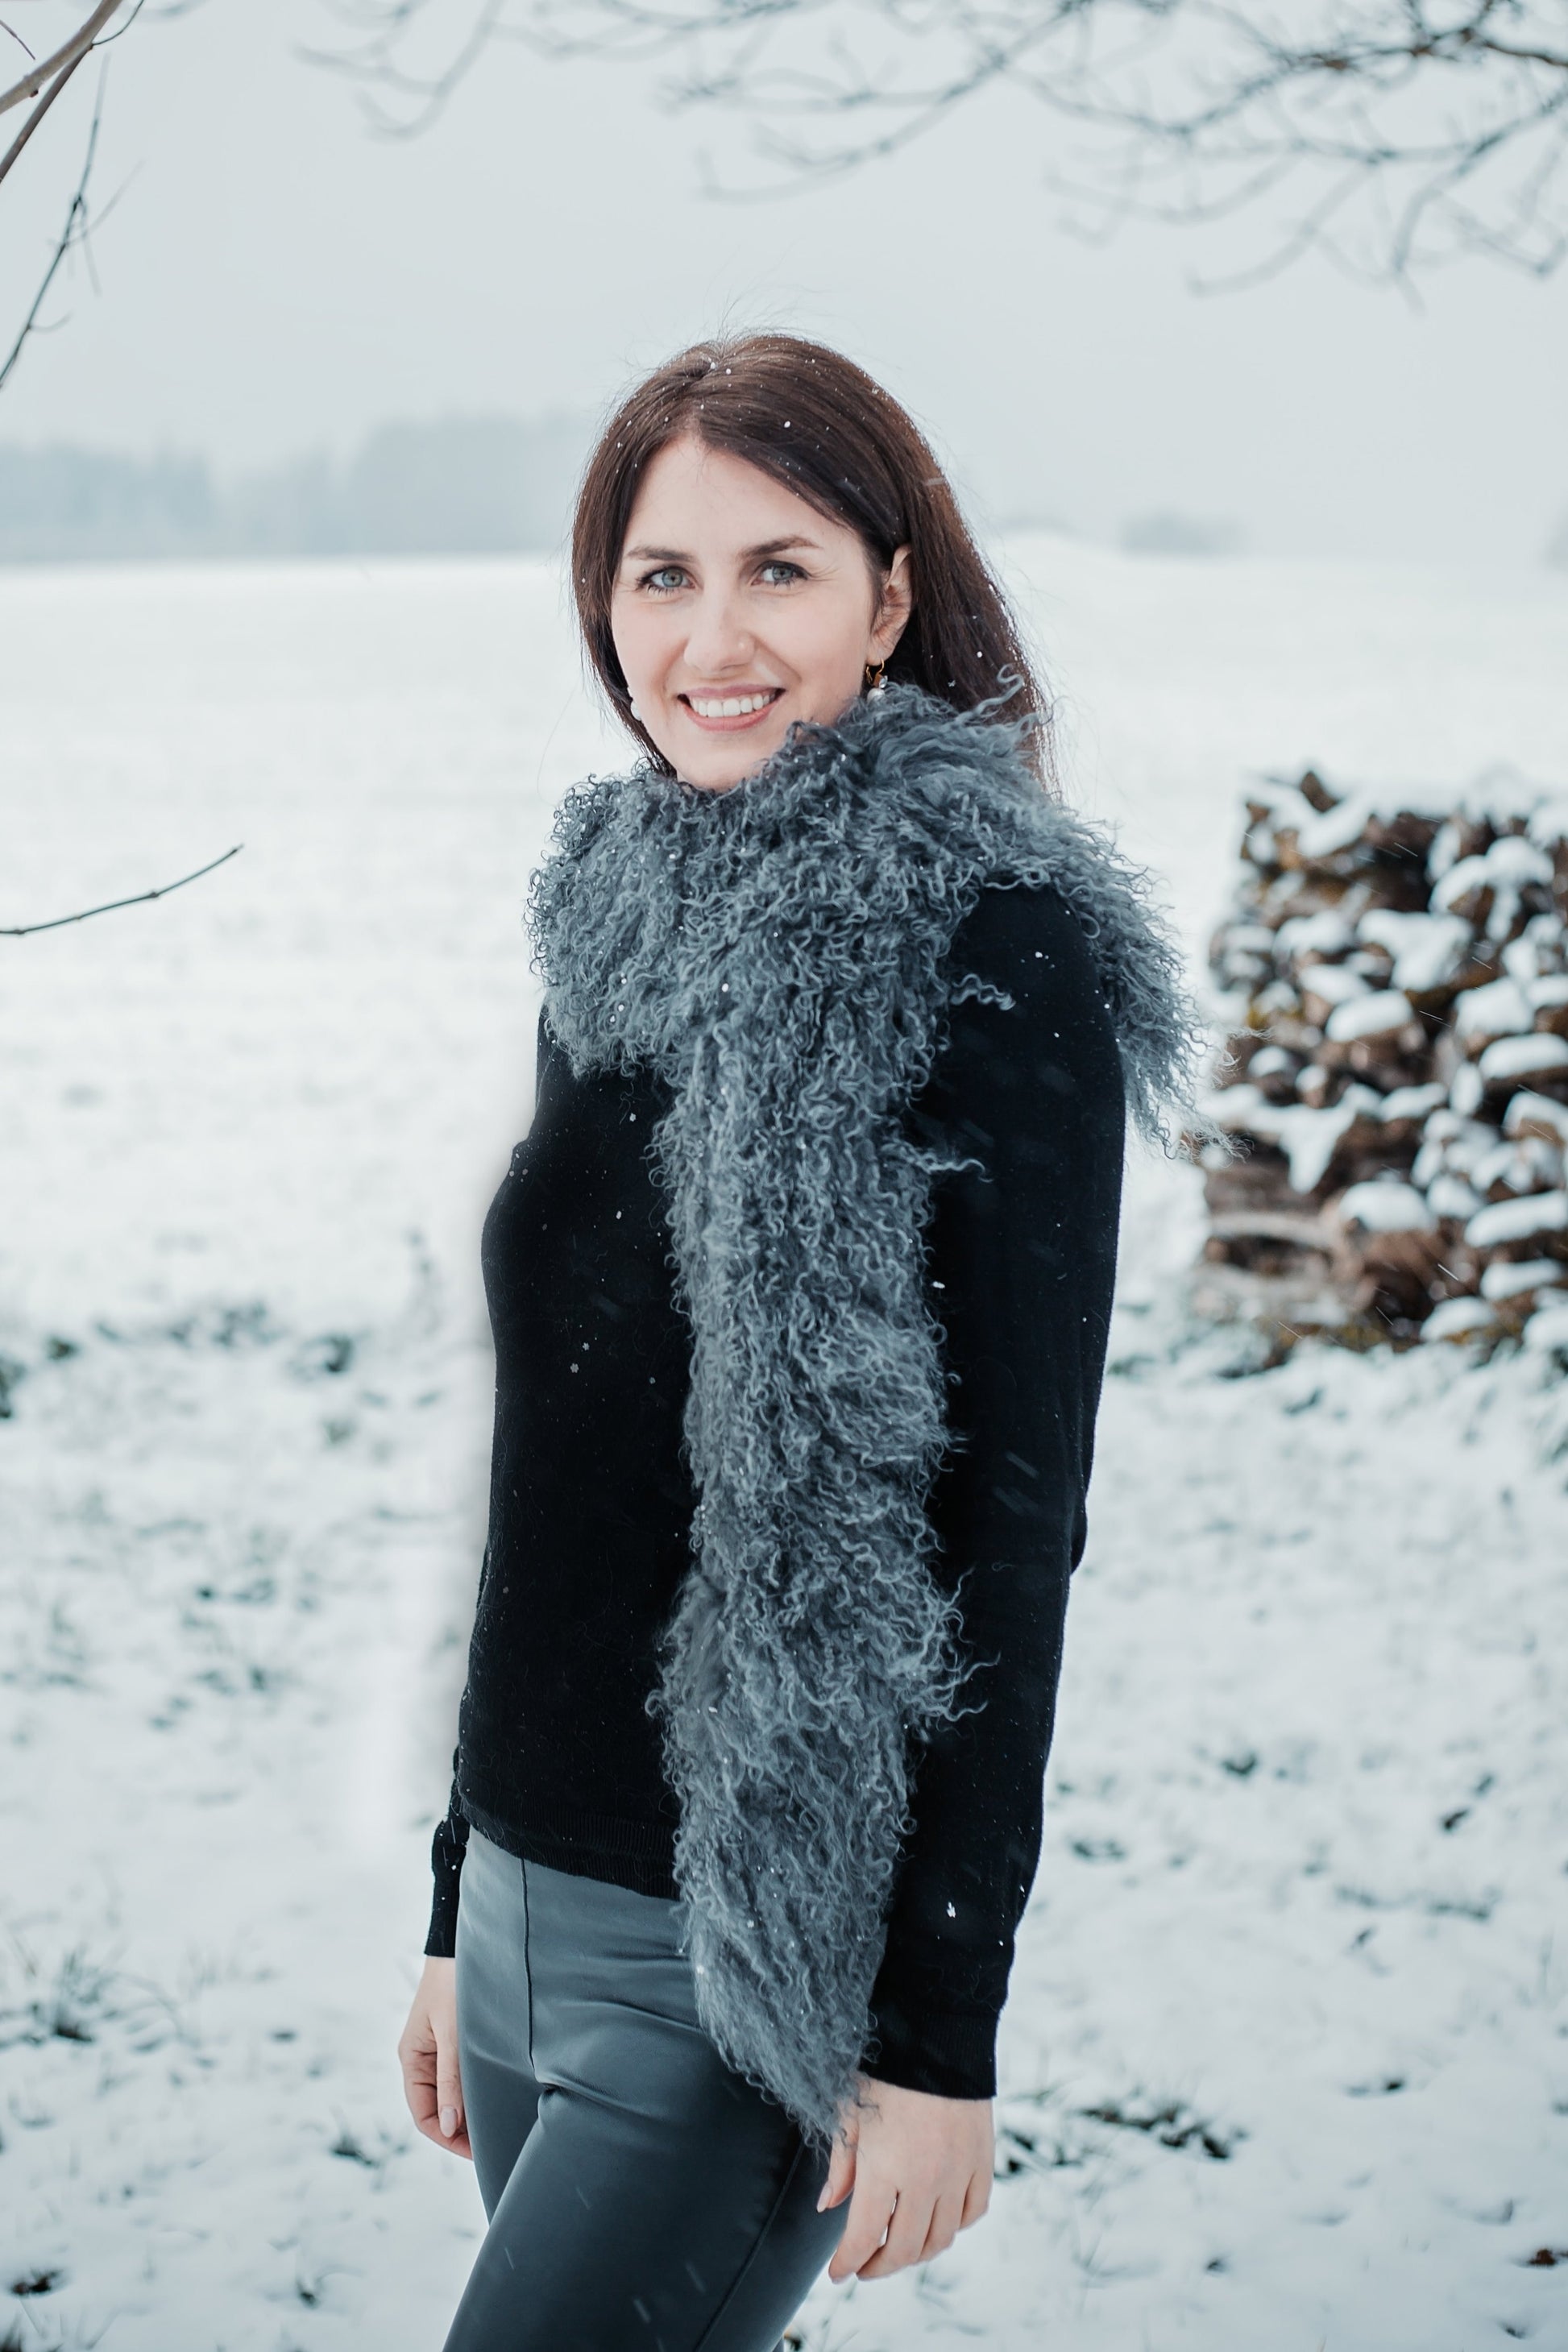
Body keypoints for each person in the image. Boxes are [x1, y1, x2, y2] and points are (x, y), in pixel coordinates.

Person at [396, 331, 1197, 2351]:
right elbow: (558, 1464)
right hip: (519, 1910)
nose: (713, 635)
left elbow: (1010, 1526)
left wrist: (939, 2030)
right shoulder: (616, 906)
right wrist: (452, 1895)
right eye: (661, 574)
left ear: (891, 594)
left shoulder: (992, 944)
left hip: (743, 1959)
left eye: (781, 567)